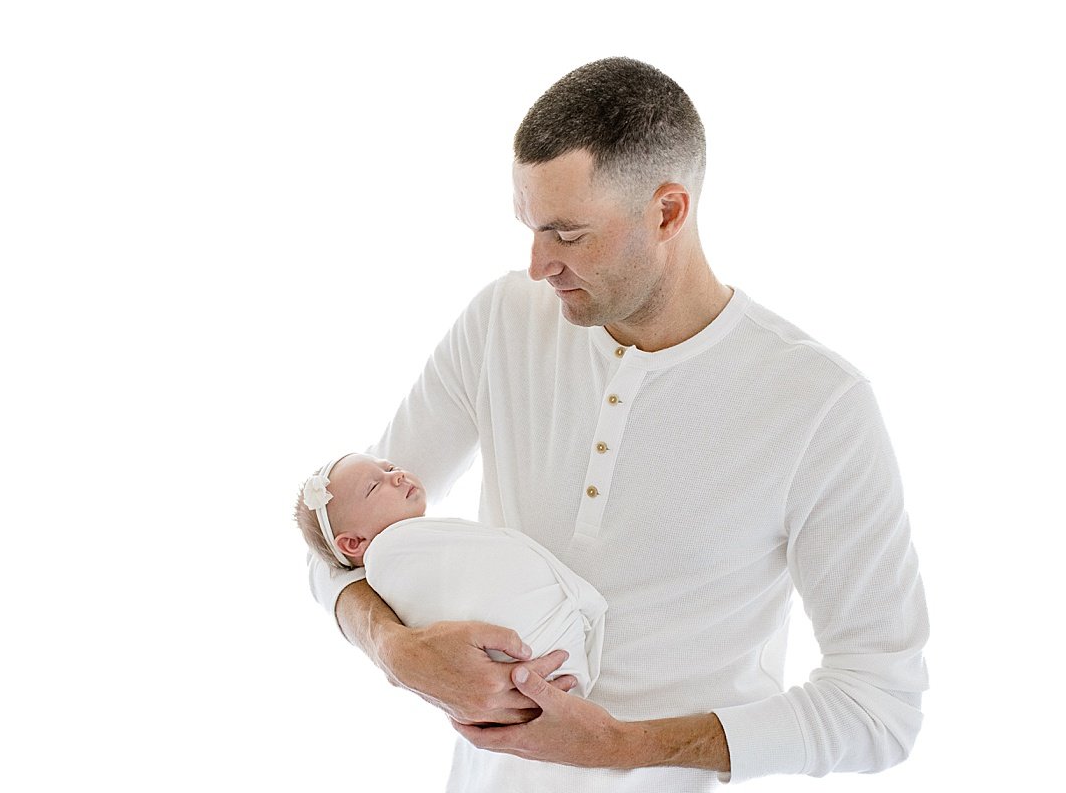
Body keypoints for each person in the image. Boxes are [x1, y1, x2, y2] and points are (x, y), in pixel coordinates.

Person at [306, 57, 929, 791]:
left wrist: (618, 745)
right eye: (530, 228)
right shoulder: (502, 322)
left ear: (668, 213)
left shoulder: (820, 406)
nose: (538, 265)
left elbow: (880, 708)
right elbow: (339, 542)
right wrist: (395, 650)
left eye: (568, 235)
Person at [296, 453, 607, 696]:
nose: (397, 476)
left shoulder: (425, 538)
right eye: (375, 486)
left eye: (390, 468)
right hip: (529, 649)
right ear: (354, 543)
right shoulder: (389, 556)